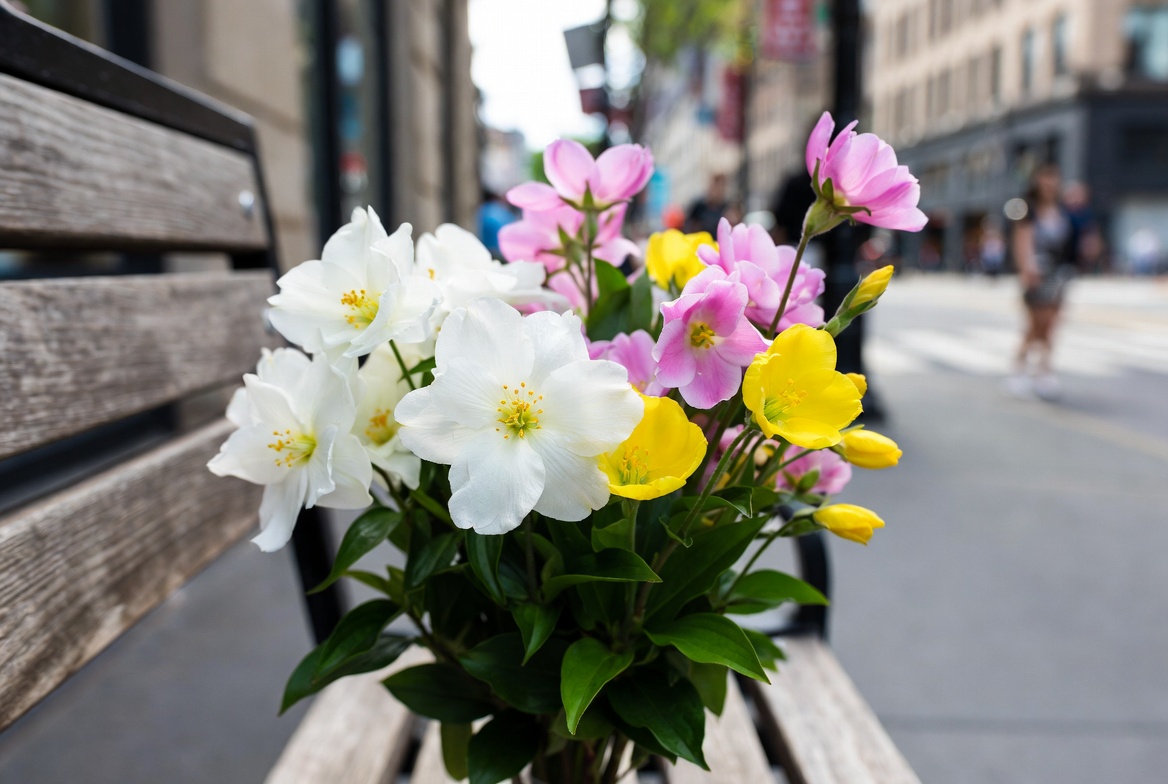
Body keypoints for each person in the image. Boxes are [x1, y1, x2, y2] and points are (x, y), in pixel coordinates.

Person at [1008, 163, 1079, 400]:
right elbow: (1021, 241)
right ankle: (1019, 368)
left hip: (1059, 275)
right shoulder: (1026, 209)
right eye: (1045, 177)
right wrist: (1026, 269)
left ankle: (1044, 371)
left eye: (1053, 178)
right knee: (1035, 326)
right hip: (1036, 274)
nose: (1049, 183)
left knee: (1051, 326)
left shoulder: (1062, 211)